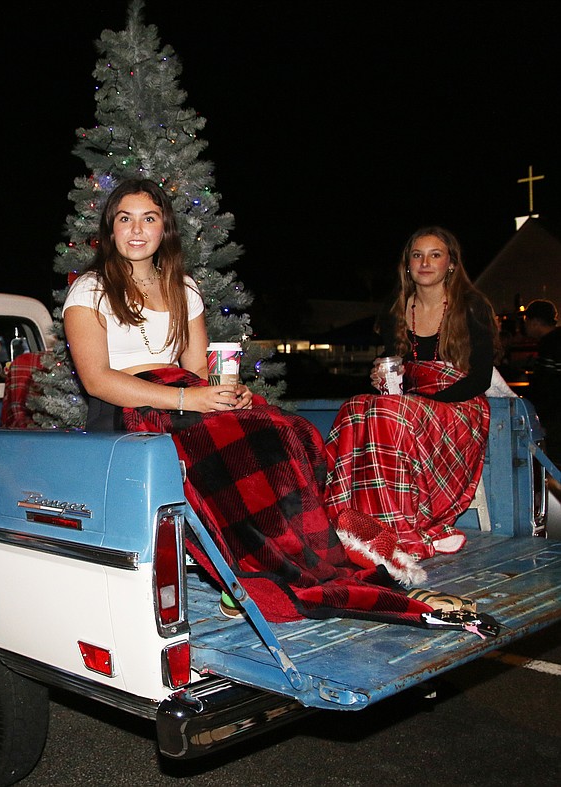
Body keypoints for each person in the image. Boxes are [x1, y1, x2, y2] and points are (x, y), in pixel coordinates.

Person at [63, 179, 431, 626]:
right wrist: (190, 398)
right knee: (235, 445)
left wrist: (223, 392)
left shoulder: (183, 286)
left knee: (289, 431)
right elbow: (97, 380)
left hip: (181, 395)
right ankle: (254, 573)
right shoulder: (90, 288)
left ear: (165, 229)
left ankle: (302, 556)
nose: (136, 230)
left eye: (149, 218)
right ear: (111, 228)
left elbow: (197, 369)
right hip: (128, 406)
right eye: (125, 218)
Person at [324, 226, 501, 560]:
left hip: (459, 405)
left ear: (451, 263)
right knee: (357, 407)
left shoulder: (471, 305)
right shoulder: (398, 308)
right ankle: (354, 522)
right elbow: (398, 372)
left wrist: (423, 404)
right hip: (411, 405)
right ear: (407, 264)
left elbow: (480, 378)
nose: (425, 262)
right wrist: (381, 376)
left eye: (435, 255)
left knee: (388, 412)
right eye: (417, 255)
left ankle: (401, 530)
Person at [524, 298, 561, 446]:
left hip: (555, 417)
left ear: (535, 322)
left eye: (526, 321)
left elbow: (547, 384)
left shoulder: (549, 344)